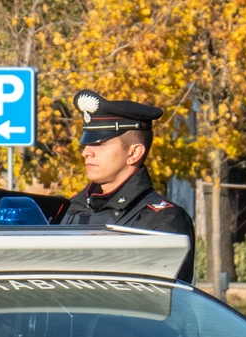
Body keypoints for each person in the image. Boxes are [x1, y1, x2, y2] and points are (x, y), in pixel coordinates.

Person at [61, 90, 195, 282]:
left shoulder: (162, 221)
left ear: (133, 153)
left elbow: (153, 301)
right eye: (86, 143)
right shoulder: (75, 209)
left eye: (99, 143)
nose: (86, 152)